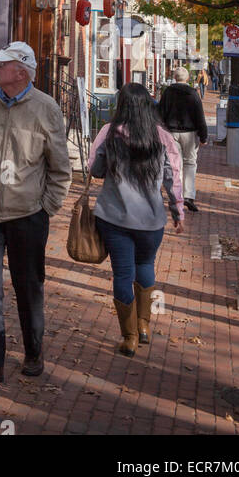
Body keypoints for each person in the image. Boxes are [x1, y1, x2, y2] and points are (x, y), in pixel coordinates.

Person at [0, 42, 71, 389]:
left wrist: (47, 208)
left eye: (2, 64)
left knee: (28, 287)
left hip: (28, 215)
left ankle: (33, 350)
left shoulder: (46, 108)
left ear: (21, 73)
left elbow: (60, 168)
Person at [88, 83, 183, 356]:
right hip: (151, 220)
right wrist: (178, 211)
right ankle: (144, 325)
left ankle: (128, 336)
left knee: (122, 274)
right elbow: (173, 177)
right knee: (145, 266)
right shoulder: (162, 136)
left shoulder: (109, 132)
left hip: (115, 217)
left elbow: (95, 169)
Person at [157, 66, 208, 213]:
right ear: (186, 79)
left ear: (174, 77)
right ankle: (189, 196)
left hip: (171, 132)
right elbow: (200, 116)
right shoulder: (193, 94)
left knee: (175, 164)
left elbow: (160, 113)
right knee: (190, 163)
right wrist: (203, 136)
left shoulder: (167, 93)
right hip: (190, 133)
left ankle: (176, 195)